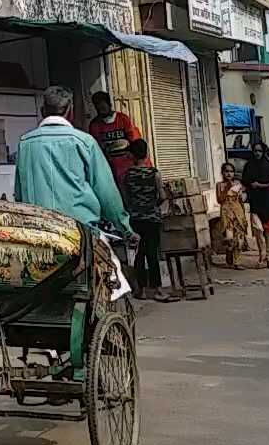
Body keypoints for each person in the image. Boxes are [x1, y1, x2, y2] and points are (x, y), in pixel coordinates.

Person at [14, 86, 133, 237]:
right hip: (80, 233)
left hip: (39, 233)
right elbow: (106, 192)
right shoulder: (84, 142)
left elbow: (19, 194)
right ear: (70, 111)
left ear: (43, 111)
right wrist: (125, 229)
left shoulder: (25, 143)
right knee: (111, 261)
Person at [118, 138, 168, 300]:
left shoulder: (127, 175)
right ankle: (158, 289)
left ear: (131, 155)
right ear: (146, 154)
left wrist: (135, 208)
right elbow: (162, 196)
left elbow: (124, 199)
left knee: (138, 254)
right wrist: (152, 205)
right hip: (152, 218)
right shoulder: (154, 173)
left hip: (135, 219)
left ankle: (141, 290)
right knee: (152, 253)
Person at [242, 143, 269, 269]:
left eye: (259, 151)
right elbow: (245, 181)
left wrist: (263, 185)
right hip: (255, 202)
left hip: (268, 202)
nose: (257, 153)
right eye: (255, 150)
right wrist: (252, 186)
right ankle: (261, 254)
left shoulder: (268, 165)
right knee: (258, 229)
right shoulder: (249, 166)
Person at [86, 91, 141, 171]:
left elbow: (134, 140)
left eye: (103, 107)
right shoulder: (94, 125)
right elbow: (95, 148)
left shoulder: (123, 119)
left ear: (109, 104)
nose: (101, 111)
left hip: (127, 165)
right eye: (98, 108)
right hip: (108, 166)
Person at [214, 163, 250, 270]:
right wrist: (227, 188)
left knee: (239, 237)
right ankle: (229, 251)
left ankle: (237, 262)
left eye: (231, 171)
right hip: (226, 212)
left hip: (238, 212)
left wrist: (244, 216)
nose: (229, 174)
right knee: (229, 237)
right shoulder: (219, 185)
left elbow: (240, 201)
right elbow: (220, 200)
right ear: (223, 173)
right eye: (226, 171)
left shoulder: (237, 184)